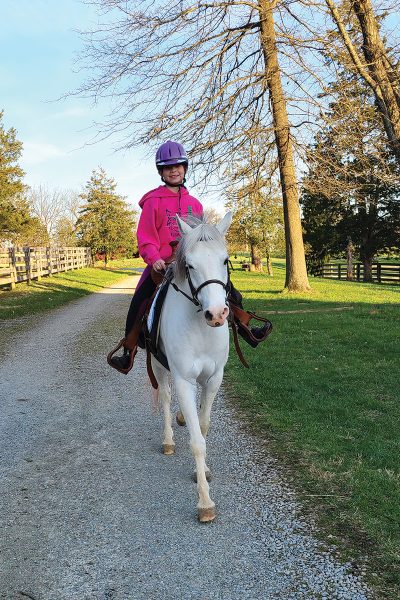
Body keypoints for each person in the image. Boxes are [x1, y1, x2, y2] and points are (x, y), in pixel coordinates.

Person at [108, 140, 271, 374]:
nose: (174, 170)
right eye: (168, 167)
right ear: (161, 172)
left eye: (178, 166)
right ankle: (129, 348)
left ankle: (246, 327)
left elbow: (203, 238)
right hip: (162, 264)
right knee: (139, 300)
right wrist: (154, 257)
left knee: (229, 290)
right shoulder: (153, 202)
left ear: (185, 168)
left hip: (192, 261)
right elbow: (146, 237)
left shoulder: (195, 204)